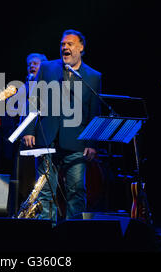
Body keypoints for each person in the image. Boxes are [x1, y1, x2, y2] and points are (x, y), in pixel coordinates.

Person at [22, 29, 102, 221]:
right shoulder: (47, 68)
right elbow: (34, 99)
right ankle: (46, 235)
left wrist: (92, 143)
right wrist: (29, 129)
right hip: (47, 139)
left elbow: (94, 112)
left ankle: (75, 236)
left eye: (70, 44)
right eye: (62, 44)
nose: (65, 47)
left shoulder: (93, 76)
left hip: (77, 143)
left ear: (81, 47)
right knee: (45, 191)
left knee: (76, 191)